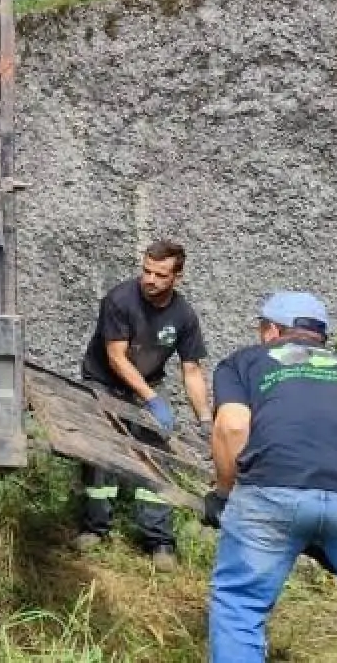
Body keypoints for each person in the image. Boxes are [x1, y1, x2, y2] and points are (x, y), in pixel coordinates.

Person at [204, 291, 337, 663]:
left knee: (241, 607)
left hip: (271, 491)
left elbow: (233, 428)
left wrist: (223, 494)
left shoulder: (245, 362)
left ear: (270, 330)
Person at [72, 239, 212, 569]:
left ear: (177, 276)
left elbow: (191, 369)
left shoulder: (183, 315)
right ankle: (95, 528)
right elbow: (116, 358)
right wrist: (153, 401)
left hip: (148, 385)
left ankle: (158, 540)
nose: (150, 279)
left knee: (156, 459)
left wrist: (205, 417)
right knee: (101, 456)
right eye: (146, 271)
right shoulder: (120, 300)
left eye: (160, 274)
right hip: (104, 383)